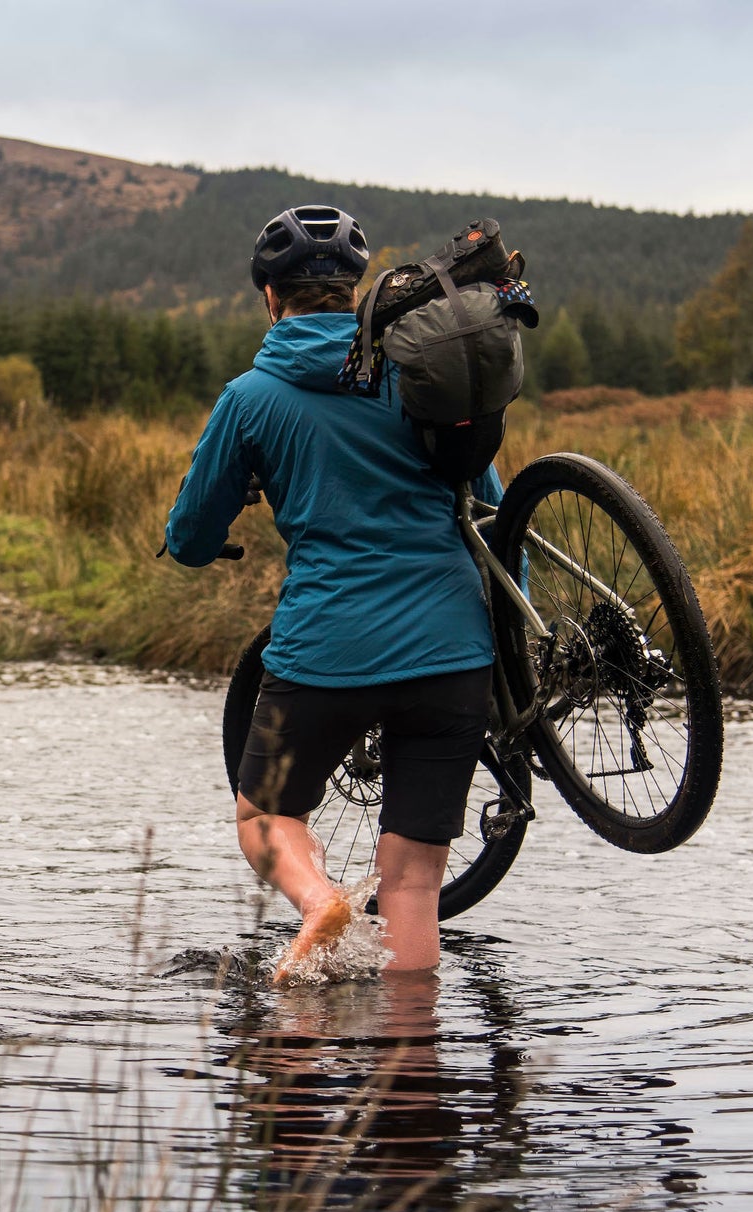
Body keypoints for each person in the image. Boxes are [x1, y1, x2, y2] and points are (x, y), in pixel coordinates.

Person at [164, 205, 505, 981]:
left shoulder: (251, 398)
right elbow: (490, 507)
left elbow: (187, 537)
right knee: (414, 879)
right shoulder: (424, 373)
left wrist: (216, 527)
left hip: (326, 652)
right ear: (353, 292)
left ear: (269, 298)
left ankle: (319, 900)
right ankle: (413, 1076)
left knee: (264, 816)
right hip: (453, 650)